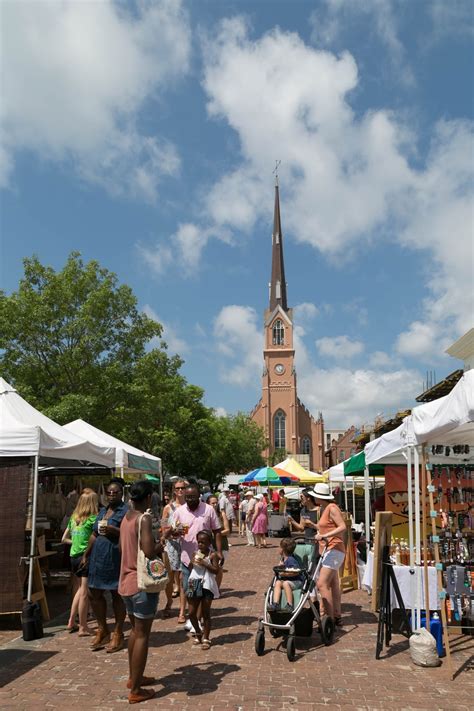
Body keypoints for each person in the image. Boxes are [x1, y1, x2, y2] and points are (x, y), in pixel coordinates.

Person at [119, 480, 163, 704]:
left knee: (135, 633)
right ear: (147, 498)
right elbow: (148, 550)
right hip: (141, 584)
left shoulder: (126, 518)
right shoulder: (143, 518)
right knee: (143, 634)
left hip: (126, 582)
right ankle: (135, 689)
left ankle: (133, 678)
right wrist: (162, 543)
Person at [83, 479, 128, 652]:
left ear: (121, 493)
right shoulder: (102, 510)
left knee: (117, 595)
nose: (111, 495)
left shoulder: (125, 511)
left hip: (115, 558)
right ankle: (103, 630)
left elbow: (129, 532)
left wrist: (113, 531)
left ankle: (118, 632)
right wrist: (86, 554)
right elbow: (94, 533)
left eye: (115, 492)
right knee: (93, 593)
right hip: (98, 558)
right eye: (108, 492)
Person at [171, 483, 223, 614]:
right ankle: (193, 616)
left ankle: (197, 619)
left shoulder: (208, 509)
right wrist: (176, 532)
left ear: (199, 496)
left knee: (203, 591)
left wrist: (219, 551)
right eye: (187, 497)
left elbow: (217, 530)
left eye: (193, 497)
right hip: (187, 558)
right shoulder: (179, 512)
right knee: (190, 591)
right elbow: (172, 532)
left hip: (205, 558)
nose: (190, 499)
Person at [61, 488, 99, 635]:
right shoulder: (93, 518)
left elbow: (63, 539)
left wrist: (76, 543)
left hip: (73, 557)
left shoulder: (74, 518)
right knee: (84, 592)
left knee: (78, 590)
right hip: (85, 557)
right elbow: (95, 537)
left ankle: (71, 620)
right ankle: (83, 626)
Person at [312, 483, 347, 626]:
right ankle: (336, 614)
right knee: (332, 583)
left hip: (334, 548)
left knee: (321, 584)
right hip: (330, 549)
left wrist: (325, 535)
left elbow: (342, 527)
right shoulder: (323, 508)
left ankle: (329, 617)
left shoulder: (332, 508)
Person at [187, 530, 220, 650]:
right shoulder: (195, 553)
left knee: (206, 613)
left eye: (203, 542)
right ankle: (197, 631)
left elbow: (216, 570)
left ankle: (206, 637)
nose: (200, 544)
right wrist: (192, 562)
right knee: (191, 612)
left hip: (207, 584)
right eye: (199, 542)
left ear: (209, 542)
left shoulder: (213, 555)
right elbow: (191, 568)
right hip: (194, 582)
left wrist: (205, 563)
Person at [161, 479, 187, 622]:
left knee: (183, 578)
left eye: (182, 488)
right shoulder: (168, 507)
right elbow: (163, 526)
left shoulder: (190, 506)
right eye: (177, 488)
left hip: (185, 544)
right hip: (171, 545)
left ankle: (182, 611)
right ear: (174, 490)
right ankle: (169, 602)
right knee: (169, 579)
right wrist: (171, 532)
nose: (180, 490)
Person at [267, 538, 304, 612]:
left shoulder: (291, 560)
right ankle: (276, 603)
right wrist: (280, 568)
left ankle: (289, 604)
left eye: (279, 547)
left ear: (283, 550)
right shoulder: (283, 559)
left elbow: (296, 572)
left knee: (285, 583)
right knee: (277, 583)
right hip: (288, 580)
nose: (278, 548)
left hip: (296, 581)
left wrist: (284, 573)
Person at [208, 495, 230, 590]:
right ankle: (210, 588)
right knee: (209, 568)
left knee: (219, 568)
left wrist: (217, 534)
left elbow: (227, 530)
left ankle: (216, 589)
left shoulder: (222, 514)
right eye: (212, 503)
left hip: (222, 544)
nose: (215, 504)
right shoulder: (206, 514)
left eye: (216, 502)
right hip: (209, 545)